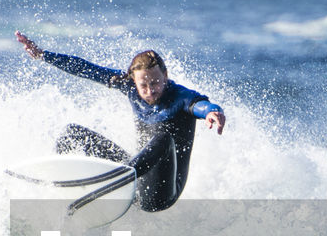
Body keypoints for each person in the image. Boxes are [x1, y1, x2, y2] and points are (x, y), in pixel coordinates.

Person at [15, 31, 225, 212]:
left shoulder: (180, 96)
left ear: (165, 76)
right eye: (144, 85)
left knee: (162, 138)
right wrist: (44, 55)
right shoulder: (129, 86)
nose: (150, 90)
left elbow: (199, 105)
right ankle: (58, 187)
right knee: (72, 132)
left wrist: (212, 112)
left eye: (155, 83)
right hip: (133, 182)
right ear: (133, 80)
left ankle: (112, 183)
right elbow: (87, 69)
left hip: (161, 195)